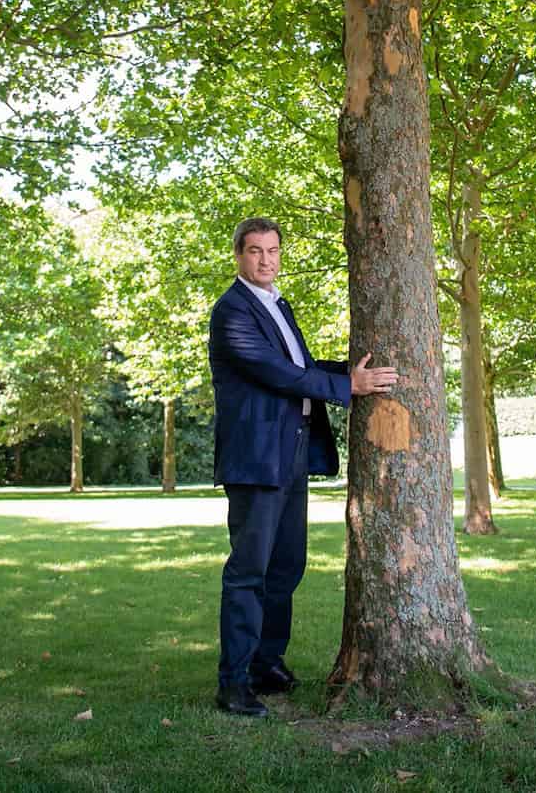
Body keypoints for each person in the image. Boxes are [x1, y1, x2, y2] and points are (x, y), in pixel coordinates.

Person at [208, 216, 398, 717]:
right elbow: (275, 374)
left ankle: (266, 663)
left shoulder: (277, 306)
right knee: (249, 573)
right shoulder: (232, 312)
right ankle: (233, 683)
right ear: (239, 256)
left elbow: (302, 368)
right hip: (255, 459)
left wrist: (348, 374)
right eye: (255, 251)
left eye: (272, 251)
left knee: (286, 567)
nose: (265, 259)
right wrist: (346, 390)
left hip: (290, 455)